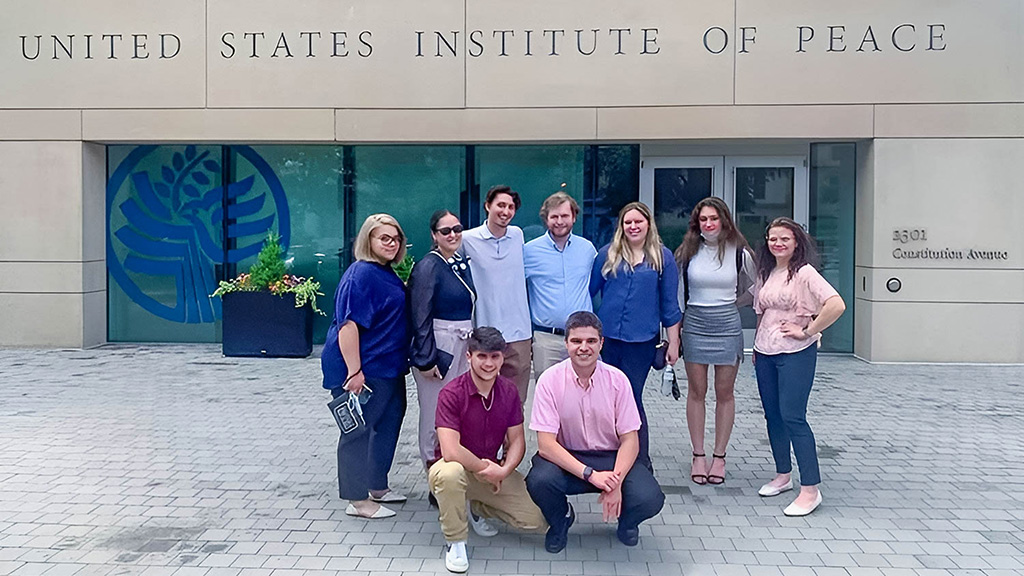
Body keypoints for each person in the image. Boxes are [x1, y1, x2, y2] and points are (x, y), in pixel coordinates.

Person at [526, 311, 665, 553]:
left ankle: (627, 522)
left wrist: (616, 482)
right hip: (567, 456)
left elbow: (630, 440)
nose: (584, 348)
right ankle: (560, 522)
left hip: (611, 457)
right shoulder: (549, 380)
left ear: (602, 343)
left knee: (650, 497)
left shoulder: (618, 380)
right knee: (539, 481)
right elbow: (546, 445)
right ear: (566, 343)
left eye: (591, 341)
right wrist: (591, 475)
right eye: (577, 341)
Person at [429, 327, 548, 573]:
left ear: (503, 357)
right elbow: (450, 450)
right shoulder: (451, 393)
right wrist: (487, 469)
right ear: (469, 357)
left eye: (495, 356)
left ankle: (474, 506)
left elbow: (517, 441)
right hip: (455, 467)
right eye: (482, 356)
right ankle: (456, 542)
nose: (488, 363)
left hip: (491, 470)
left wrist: (504, 471)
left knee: (537, 521)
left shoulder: (508, 391)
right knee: (450, 475)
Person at [752, 217, 846, 517]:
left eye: (785, 239)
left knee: (793, 416)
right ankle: (782, 475)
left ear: (796, 242)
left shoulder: (804, 273)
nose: (778, 244)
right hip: (765, 351)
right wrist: (757, 345)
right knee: (773, 416)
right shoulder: (768, 271)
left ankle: (810, 489)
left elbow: (836, 304)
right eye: (772, 238)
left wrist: (809, 331)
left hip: (796, 353)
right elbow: (761, 310)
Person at [321, 214, 410, 519]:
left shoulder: (385, 272)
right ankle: (358, 500)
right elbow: (348, 326)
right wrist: (354, 372)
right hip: (364, 369)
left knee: (388, 424)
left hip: (390, 366)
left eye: (396, 238)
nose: (391, 243)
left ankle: (377, 485)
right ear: (368, 240)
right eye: (384, 238)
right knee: (357, 432)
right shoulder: (361, 274)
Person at [590, 201, 681, 466]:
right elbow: (589, 292)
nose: (633, 226)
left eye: (638, 221)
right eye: (627, 222)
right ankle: (609, 455)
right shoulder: (607, 255)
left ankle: (640, 460)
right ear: (621, 226)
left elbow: (670, 305)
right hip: (607, 341)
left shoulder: (662, 258)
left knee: (631, 398)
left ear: (648, 224)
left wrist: (673, 342)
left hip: (641, 342)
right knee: (606, 399)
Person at [674, 197, 755, 486]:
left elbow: (757, 287)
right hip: (695, 323)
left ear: (724, 221)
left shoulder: (739, 252)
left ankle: (719, 457)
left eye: (714, 218)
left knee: (725, 392)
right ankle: (698, 454)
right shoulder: (687, 252)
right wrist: (673, 336)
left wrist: (736, 302)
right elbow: (678, 295)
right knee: (697, 391)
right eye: (703, 219)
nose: (708, 224)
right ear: (696, 223)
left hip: (727, 324)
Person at [408, 209, 476, 469]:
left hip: (462, 344)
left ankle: (453, 465)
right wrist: (426, 359)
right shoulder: (428, 266)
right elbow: (419, 314)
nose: (453, 235)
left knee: (456, 410)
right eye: (445, 231)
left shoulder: (456, 262)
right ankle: (433, 470)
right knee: (434, 411)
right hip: (440, 348)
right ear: (434, 235)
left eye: (457, 229)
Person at [461, 185, 533, 405]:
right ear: (487, 206)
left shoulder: (517, 235)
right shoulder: (467, 239)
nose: (506, 211)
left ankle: (513, 442)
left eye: (511, 207)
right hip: (485, 330)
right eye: (501, 205)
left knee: (515, 403)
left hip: (519, 333)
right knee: (482, 400)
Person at [524, 192, 597, 375]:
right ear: (546, 219)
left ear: (574, 217)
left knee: (584, 394)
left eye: (564, 216)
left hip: (582, 338)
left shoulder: (587, 249)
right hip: (546, 339)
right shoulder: (529, 251)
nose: (559, 221)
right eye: (554, 216)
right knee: (548, 397)